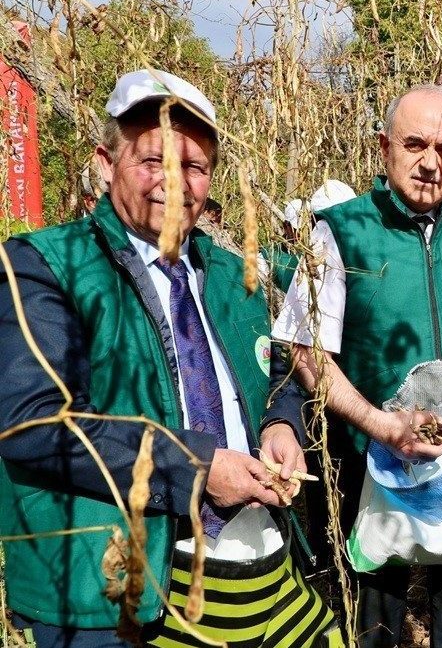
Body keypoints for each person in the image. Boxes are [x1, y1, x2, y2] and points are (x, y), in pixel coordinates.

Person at [0, 69, 337, 647]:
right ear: (105, 163)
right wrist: (198, 468)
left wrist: (279, 419)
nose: (175, 185)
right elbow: (35, 424)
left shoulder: (236, 277)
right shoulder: (43, 266)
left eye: (195, 167)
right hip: (112, 583)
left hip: (252, 559)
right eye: (154, 161)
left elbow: (279, 366)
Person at [273, 84, 442, 648]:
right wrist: (381, 426)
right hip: (367, 455)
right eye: (415, 144)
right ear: (384, 147)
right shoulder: (342, 231)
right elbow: (305, 352)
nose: (431, 163)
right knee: (372, 609)